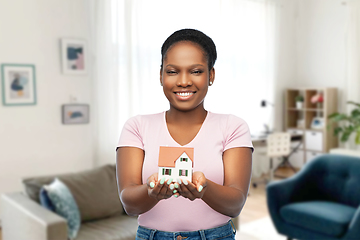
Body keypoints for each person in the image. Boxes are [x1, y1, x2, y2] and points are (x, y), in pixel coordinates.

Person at [116, 28, 253, 240]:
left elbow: (235, 205)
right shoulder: (137, 126)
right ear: (161, 76)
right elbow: (129, 204)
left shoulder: (233, 127)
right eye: (172, 71)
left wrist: (205, 189)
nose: (183, 81)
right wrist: (151, 192)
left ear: (211, 75)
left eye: (196, 71)